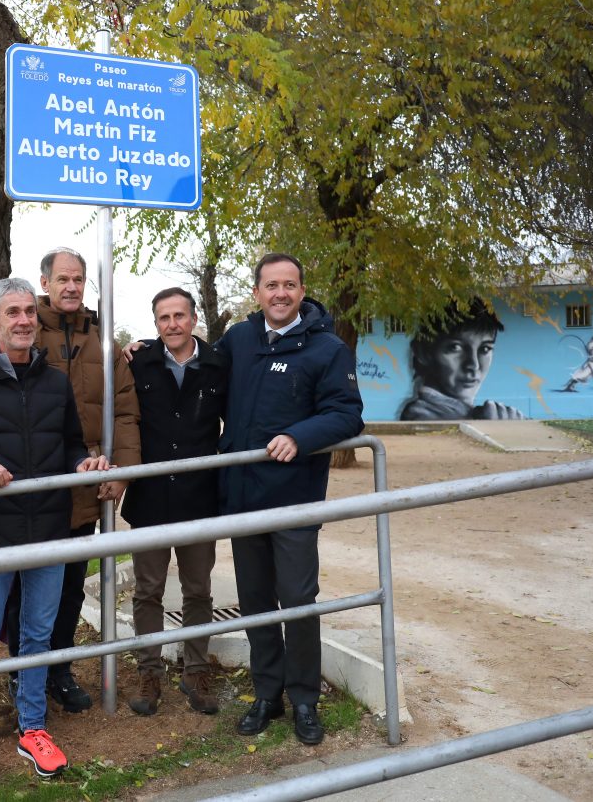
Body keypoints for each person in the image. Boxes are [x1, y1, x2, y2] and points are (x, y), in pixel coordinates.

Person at [0, 278, 110, 790]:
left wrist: (83, 462)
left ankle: (32, 727)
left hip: (49, 529)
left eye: (27, 313)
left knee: (37, 636)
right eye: (11, 313)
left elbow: (68, 446)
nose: (22, 321)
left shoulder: (54, 382)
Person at [216, 253, 364, 746]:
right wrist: (146, 352)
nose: (280, 293)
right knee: (256, 600)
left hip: (294, 499)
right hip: (242, 497)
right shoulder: (238, 339)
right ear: (257, 291)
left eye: (290, 285)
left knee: (297, 600)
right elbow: (200, 376)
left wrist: (300, 435)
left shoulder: (327, 349)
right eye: (271, 285)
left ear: (302, 291)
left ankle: (304, 699)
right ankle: (267, 694)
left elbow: (347, 413)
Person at [5, 247, 141, 713]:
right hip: (36, 485)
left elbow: (124, 410)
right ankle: (23, 671)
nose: (70, 287)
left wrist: (120, 471)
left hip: (88, 482)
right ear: (45, 283)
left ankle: (59, 671)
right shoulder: (24, 331)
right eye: (62, 278)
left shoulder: (104, 339)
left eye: (78, 279)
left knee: (69, 585)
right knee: (26, 585)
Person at [120, 287, 229, 716]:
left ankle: (196, 669)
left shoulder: (219, 364)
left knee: (198, 589)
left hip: (199, 494)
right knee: (147, 589)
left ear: (194, 317)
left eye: (179, 315)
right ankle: (149, 671)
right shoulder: (138, 362)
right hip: (150, 497)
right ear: (155, 323)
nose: (173, 325)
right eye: (164, 318)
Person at [400, 299, 525, 420]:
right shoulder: (424, 415)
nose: (473, 365)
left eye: (485, 349)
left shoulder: (463, 413)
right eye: (455, 348)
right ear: (424, 353)